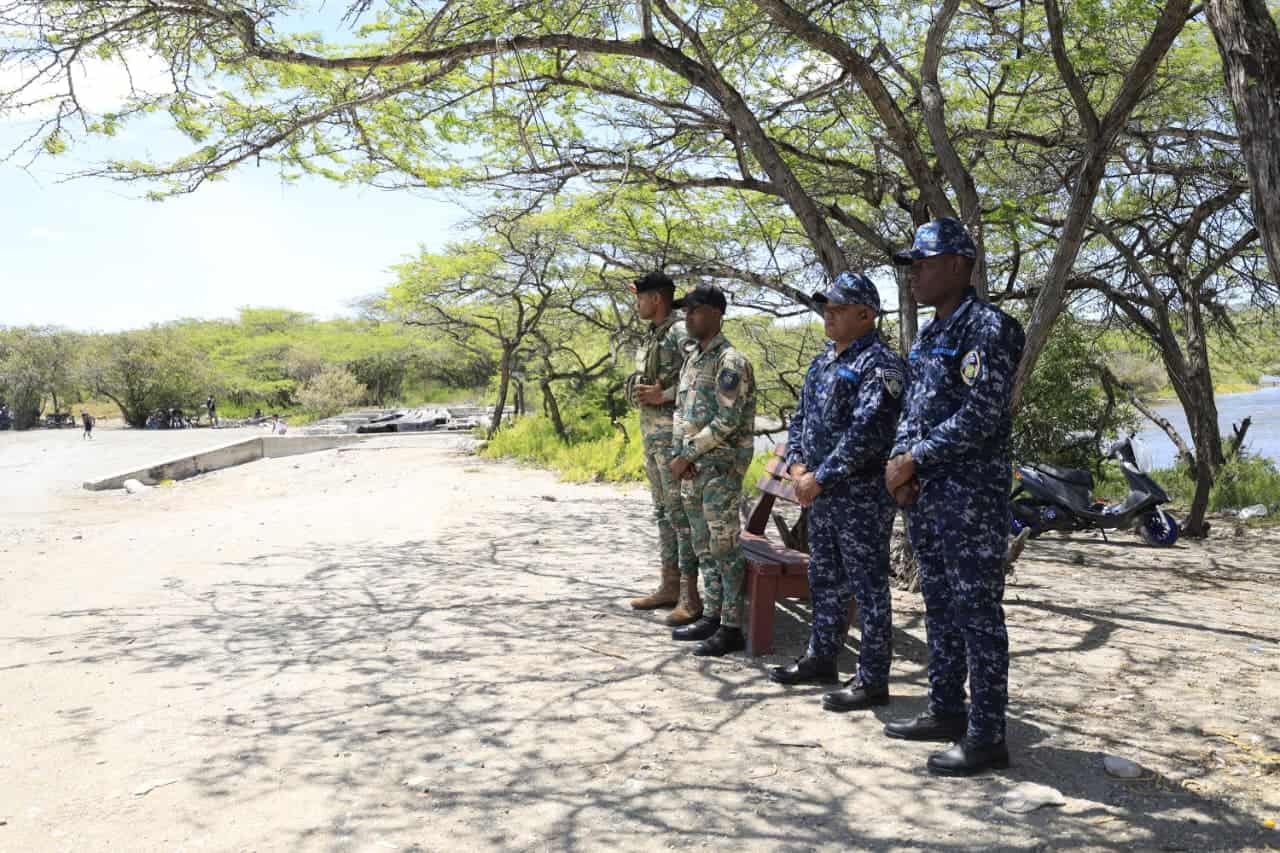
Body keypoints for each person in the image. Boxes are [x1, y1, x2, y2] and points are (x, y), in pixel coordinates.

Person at [883, 218, 1026, 777]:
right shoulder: (928, 335)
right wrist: (901, 466)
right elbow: (912, 413)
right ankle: (946, 710)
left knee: (977, 614)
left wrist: (914, 459)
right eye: (912, 262)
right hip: (926, 497)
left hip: (971, 498)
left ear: (959, 266)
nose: (915, 271)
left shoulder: (989, 328)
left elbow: (982, 416)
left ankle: (988, 733)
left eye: (924, 261)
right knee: (938, 607)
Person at [769, 272, 904, 713]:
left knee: (867, 587)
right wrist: (799, 465)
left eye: (839, 308)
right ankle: (821, 657)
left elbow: (868, 434)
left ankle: (871, 679)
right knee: (823, 578)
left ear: (866, 314)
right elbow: (800, 420)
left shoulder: (880, 365)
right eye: (826, 306)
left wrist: (820, 476)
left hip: (860, 495)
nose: (829, 314)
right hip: (821, 493)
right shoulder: (822, 361)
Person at [668, 285, 757, 657]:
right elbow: (681, 412)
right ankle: (714, 614)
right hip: (693, 468)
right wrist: (681, 455)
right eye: (685, 310)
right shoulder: (694, 358)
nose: (688, 316)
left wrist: (686, 454)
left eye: (696, 310)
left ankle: (732, 626)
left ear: (717, 314)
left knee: (724, 546)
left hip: (719, 468)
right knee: (703, 545)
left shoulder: (730, 361)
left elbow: (727, 421)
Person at [625, 270, 702, 625]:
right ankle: (669, 586)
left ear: (656, 298)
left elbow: (700, 376)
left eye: (640, 297)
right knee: (663, 514)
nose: (637, 303)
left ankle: (690, 595)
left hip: (674, 439)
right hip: (653, 438)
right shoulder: (655, 333)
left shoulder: (679, 331)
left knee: (681, 516)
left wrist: (665, 395)